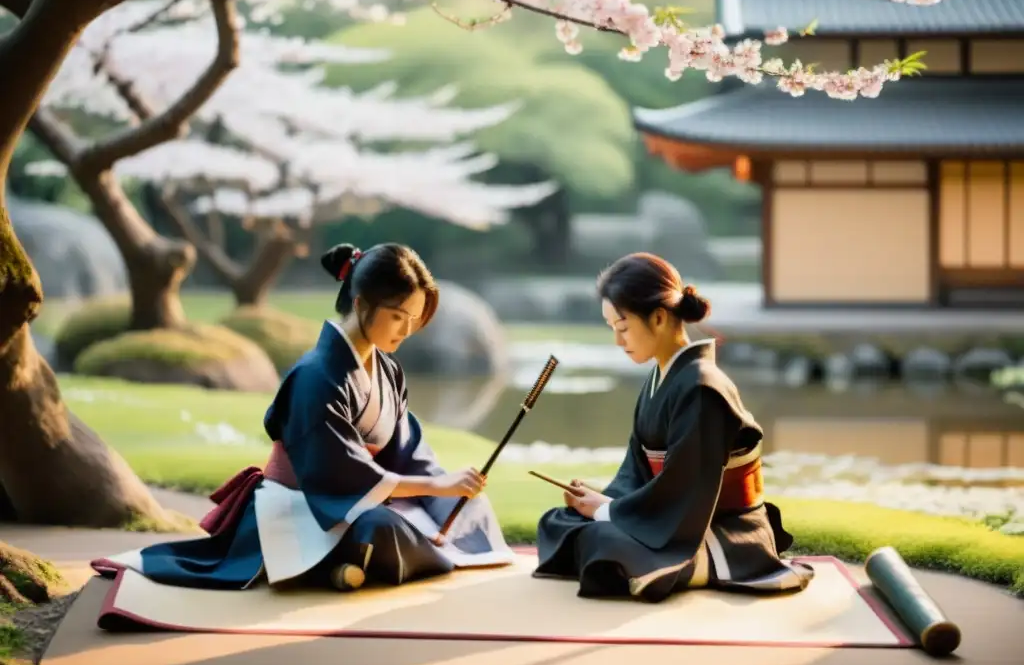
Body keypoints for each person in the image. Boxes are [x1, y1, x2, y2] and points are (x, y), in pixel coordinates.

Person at [92, 243, 515, 592]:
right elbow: (339, 474)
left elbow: (407, 450)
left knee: (465, 504)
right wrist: (430, 486)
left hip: (365, 493)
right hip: (308, 504)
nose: (404, 332)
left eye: (413, 321)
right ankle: (341, 565)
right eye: (397, 317)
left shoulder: (387, 370)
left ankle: (357, 568)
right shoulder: (317, 376)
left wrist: (446, 487)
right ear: (361, 303)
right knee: (381, 527)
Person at [533, 252, 814, 602]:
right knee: (558, 521)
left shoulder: (702, 388)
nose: (618, 342)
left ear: (660, 317)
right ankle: (630, 557)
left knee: (600, 540)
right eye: (613, 330)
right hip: (670, 514)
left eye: (622, 328)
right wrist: (603, 502)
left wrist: (608, 513)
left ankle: (684, 566)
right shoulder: (661, 377)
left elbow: (686, 489)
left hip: (718, 528)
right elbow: (636, 471)